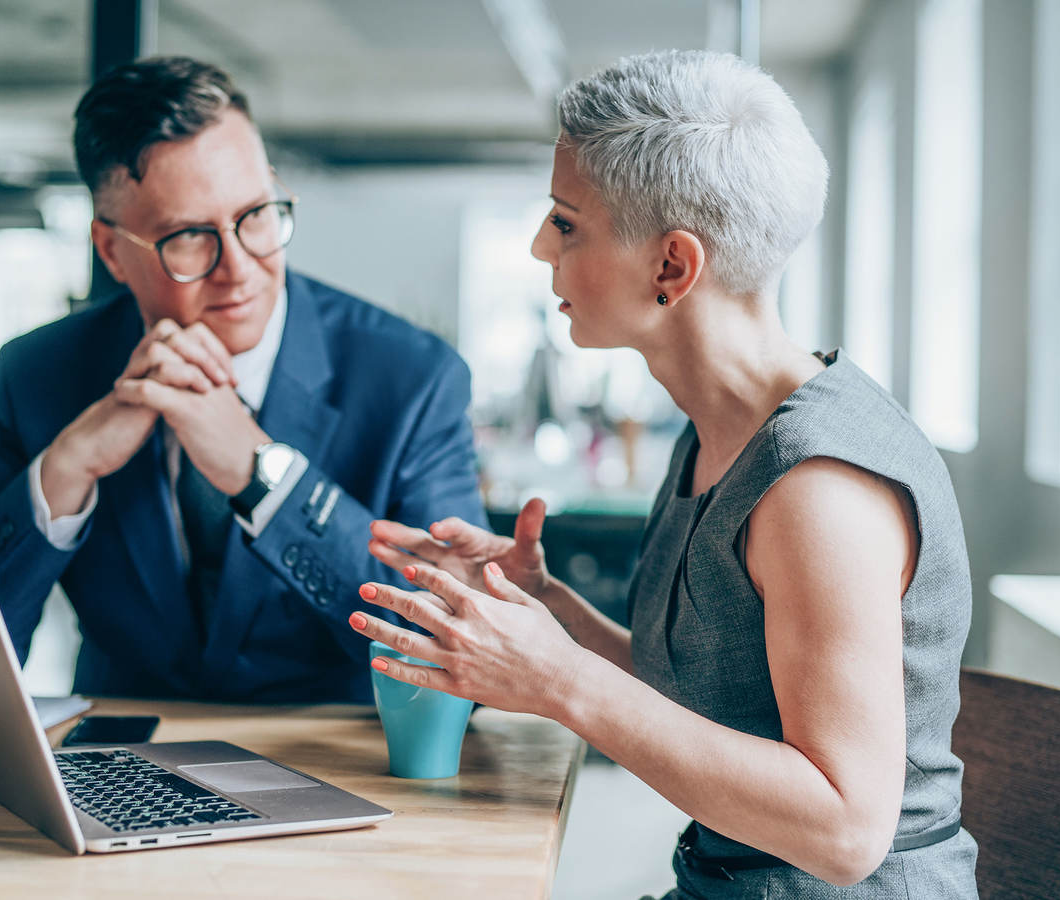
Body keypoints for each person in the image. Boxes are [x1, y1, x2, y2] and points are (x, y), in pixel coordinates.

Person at [355, 50, 978, 897]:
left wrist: (559, 679)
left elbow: (845, 830)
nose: (541, 248)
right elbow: (705, 694)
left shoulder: (819, 488)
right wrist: (545, 614)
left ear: (672, 268)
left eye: (565, 223)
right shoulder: (720, 431)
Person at [0, 57, 486, 704]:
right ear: (112, 251)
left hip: (342, 773)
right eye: (189, 236)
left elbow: (464, 658)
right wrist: (67, 467)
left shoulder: (412, 378)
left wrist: (264, 480)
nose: (239, 268)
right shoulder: (42, 376)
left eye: (255, 214)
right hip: (117, 771)